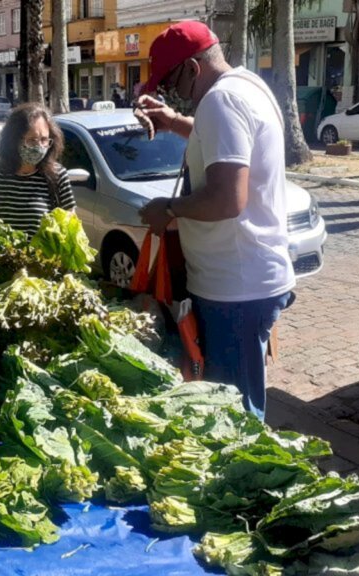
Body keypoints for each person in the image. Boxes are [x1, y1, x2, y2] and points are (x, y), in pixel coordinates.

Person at [134, 21, 294, 421]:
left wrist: (168, 210)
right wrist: (172, 122)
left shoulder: (222, 102)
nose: (170, 92)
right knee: (238, 398)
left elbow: (227, 198)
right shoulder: (246, 87)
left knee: (234, 414)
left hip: (235, 288)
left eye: (170, 82)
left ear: (192, 67)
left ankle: (246, 482)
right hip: (248, 278)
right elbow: (224, 146)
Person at [0, 103, 76, 235]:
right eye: (32, 140)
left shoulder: (57, 175)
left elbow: (71, 223)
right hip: (4, 255)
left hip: (44, 256)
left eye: (44, 139)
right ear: (14, 140)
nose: (39, 146)